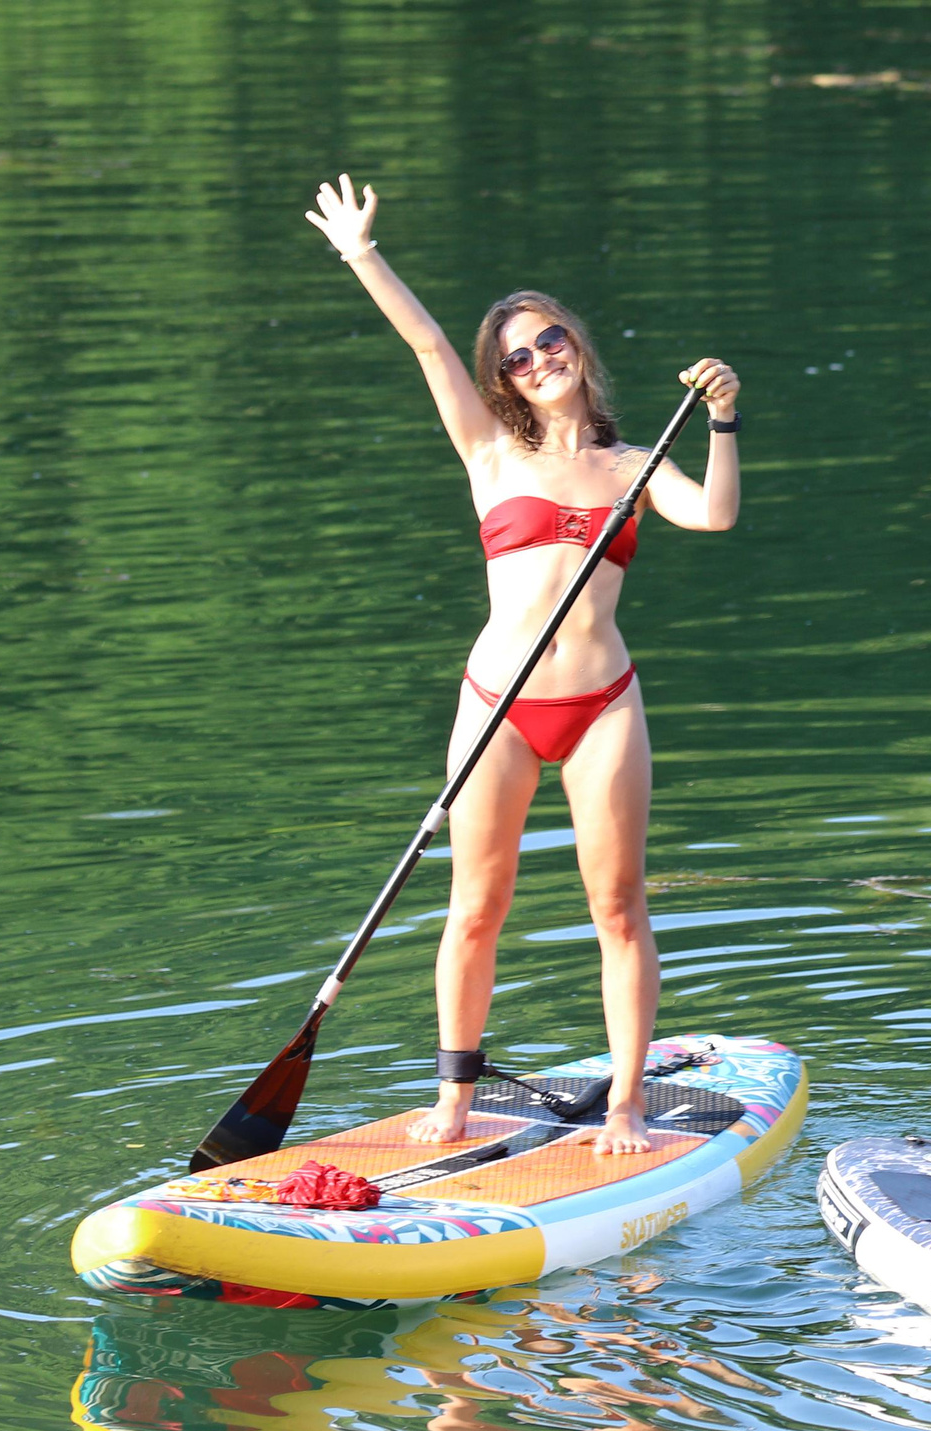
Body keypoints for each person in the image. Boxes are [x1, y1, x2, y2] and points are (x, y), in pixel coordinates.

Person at [304, 174, 744, 1156]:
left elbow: (713, 514)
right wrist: (361, 253)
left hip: (602, 705)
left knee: (619, 908)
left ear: (576, 347)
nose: (538, 357)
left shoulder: (637, 462)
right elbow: (424, 341)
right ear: (501, 377)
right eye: (517, 354)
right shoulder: (487, 454)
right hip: (495, 705)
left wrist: (721, 416)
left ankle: (626, 1103)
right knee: (475, 908)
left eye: (550, 339)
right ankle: (455, 1099)